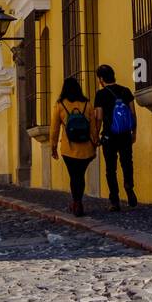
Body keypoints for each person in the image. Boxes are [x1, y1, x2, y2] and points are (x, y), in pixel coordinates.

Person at [48, 76, 98, 217]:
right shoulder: (87, 104)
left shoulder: (60, 105)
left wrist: (53, 147)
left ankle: (76, 203)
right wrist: (95, 143)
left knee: (73, 176)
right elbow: (93, 128)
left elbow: (54, 129)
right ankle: (78, 202)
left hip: (68, 148)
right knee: (80, 176)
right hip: (86, 148)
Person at [92, 64, 138, 212]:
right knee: (127, 163)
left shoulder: (100, 94)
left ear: (101, 79)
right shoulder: (126, 91)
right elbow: (132, 114)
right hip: (125, 134)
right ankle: (129, 186)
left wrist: (96, 135)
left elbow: (98, 117)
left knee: (110, 169)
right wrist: (134, 133)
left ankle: (114, 200)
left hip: (109, 135)